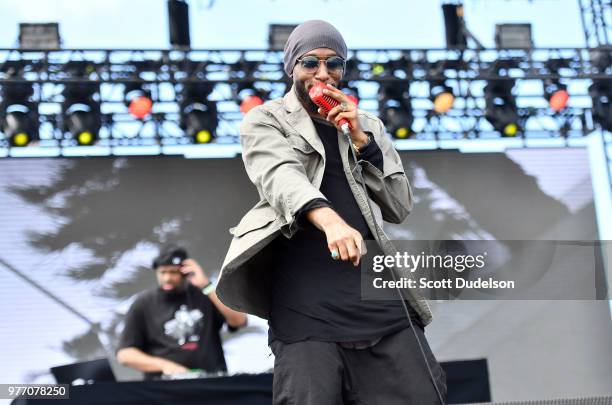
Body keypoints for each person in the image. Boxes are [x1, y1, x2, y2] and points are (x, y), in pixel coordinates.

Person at [217, 20, 447, 404]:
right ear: (292, 67)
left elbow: (399, 204)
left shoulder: (366, 123)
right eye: (310, 62)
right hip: (306, 308)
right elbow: (280, 177)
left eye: (333, 63)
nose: (323, 73)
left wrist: (361, 140)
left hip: (377, 301)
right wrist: (329, 220)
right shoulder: (266, 119)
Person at [116, 246, 247, 380]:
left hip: (211, 381)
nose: (167, 278)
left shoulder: (205, 294)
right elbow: (125, 354)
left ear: (185, 271)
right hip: (165, 388)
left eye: (173, 272)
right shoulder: (143, 303)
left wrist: (206, 285)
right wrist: (165, 366)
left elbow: (239, 321)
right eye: (162, 272)